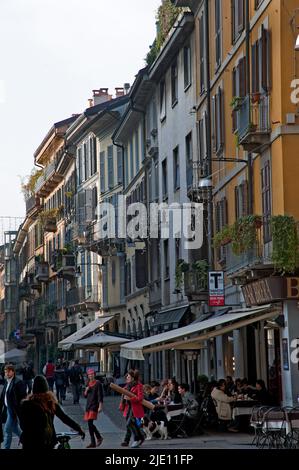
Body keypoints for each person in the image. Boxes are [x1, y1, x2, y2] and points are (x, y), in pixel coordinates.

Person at [19, 375, 85, 449]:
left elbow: (22, 425)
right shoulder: (50, 402)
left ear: (34, 389)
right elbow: (64, 418)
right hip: (47, 441)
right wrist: (78, 428)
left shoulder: (26, 404)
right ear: (46, 387)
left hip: (30, 441)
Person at [0, 364, 27, 449]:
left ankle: (6, 448)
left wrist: (19, 409)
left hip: (14, 410)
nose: (7, 373)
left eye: (8, 371)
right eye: (5, 372)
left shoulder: (18, 382)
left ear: (13, 372)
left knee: (7, 430)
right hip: (8, 409)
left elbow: (23, 397)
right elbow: (3, 396)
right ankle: (26, 440)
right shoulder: (7, 382)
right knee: (15, 428)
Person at [119, 369, 145, 448]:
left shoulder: (138, 385)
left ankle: (137, 439)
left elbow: (140, 398)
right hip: (128, 408)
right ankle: (140, 437)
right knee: (131, 424)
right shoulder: (128, 386)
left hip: (135, 408)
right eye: (127, 376)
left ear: (133, 378)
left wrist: (130, 399)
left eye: (129, 377)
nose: (127, 378)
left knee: (130, 424)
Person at [83, 368, 104, 448]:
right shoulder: (88, 383)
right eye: (89, 374)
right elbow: (85, 395)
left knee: (90, 423)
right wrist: (86, 390)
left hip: (94, 405)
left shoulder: (98, 383)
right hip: (88, 405)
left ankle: (97, 439)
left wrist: (100, 405)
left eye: (92, 374)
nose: (91, 376)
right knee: (90, 424)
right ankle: (96, 440)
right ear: (88, 376)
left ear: (94, 375)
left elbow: (100, 395)